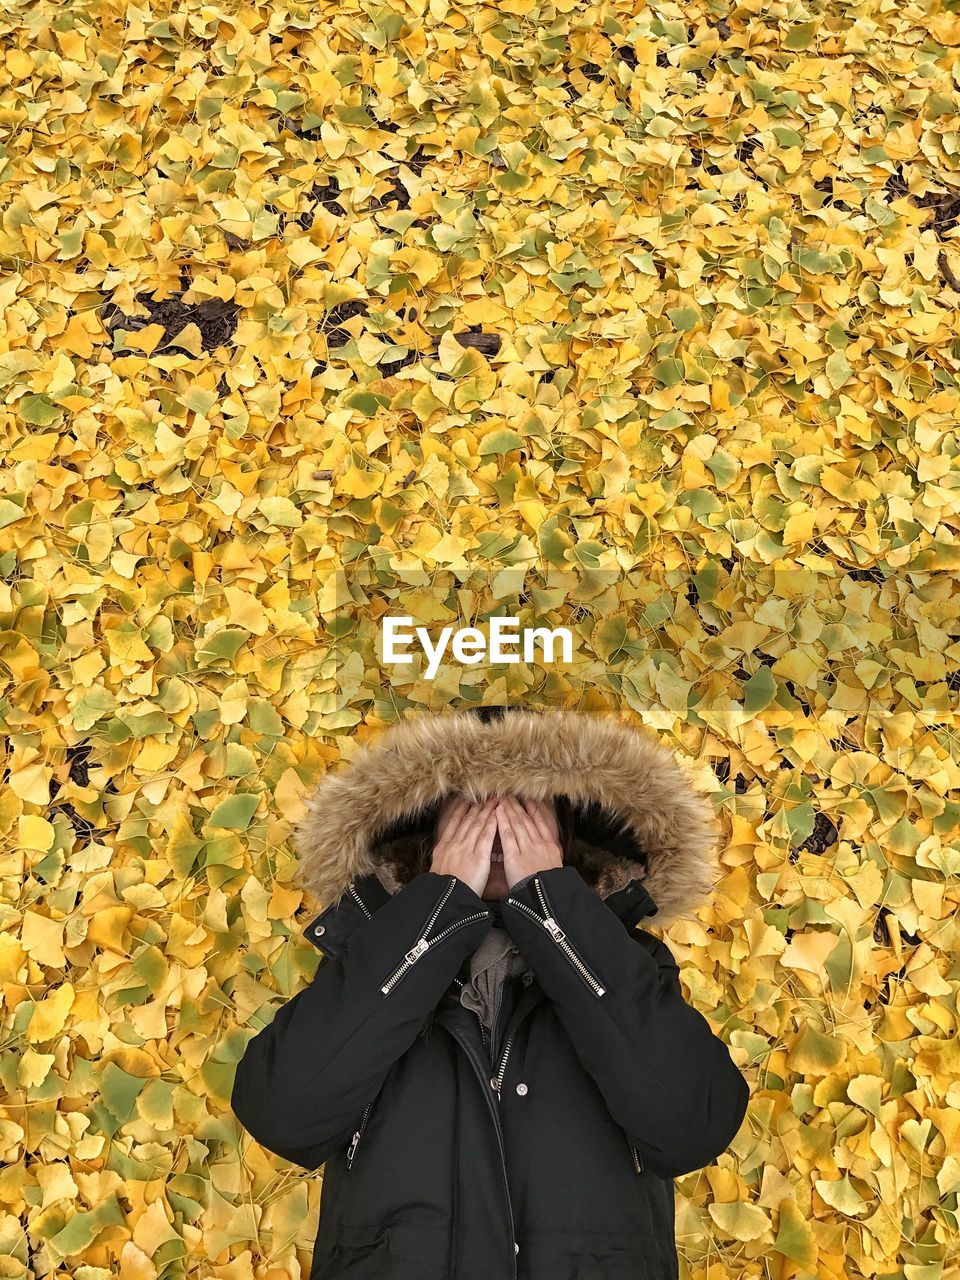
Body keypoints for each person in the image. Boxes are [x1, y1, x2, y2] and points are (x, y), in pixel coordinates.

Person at [230, 705, 749, 1280]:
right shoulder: (371, 956)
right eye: (474, 805)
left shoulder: (627, 961)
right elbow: (283, 1113)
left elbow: (693, 1128)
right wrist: (436, 906)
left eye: (526, 805)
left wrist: (554, 907)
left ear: (565, 830)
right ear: (430, 830)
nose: (500, 829)